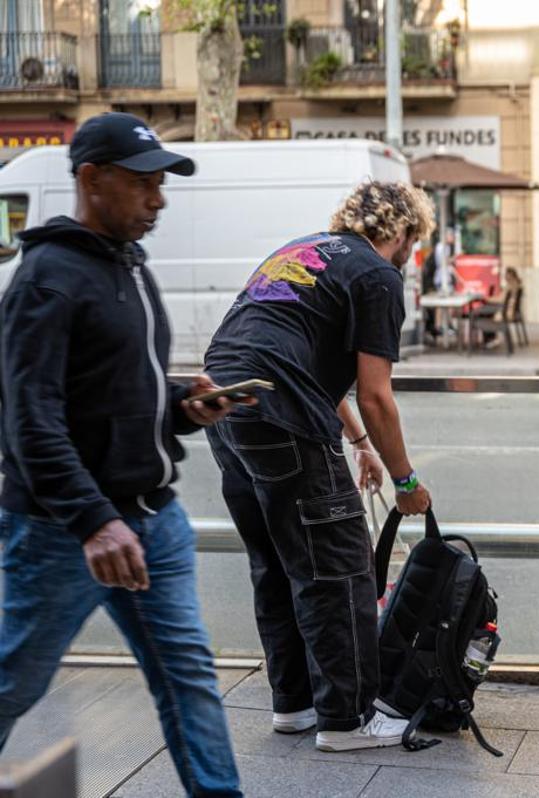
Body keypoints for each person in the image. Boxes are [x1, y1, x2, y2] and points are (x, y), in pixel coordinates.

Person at [0, 112, 242, 796]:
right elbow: (29, 420)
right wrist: (92, 521)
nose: (158, 199)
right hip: (63, 532)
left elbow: (111, 392)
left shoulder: (128, 265)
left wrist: (181, 407)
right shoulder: (46, 278)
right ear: (91, 179)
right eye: (144, 183)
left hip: (150, 522)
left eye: (161, 183)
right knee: (15, 678)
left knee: (188, 673)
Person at [203, 181, 435, 752]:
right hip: (284, 418)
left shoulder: (299, 252)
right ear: (401, 230)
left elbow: (296, 356)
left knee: (277, 562)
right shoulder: (378, 275)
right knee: (337, 567)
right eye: (414, 240)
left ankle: (295, 704)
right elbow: (377, 394)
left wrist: (360, 444)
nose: (412, 253)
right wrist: (407, 481)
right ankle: (348, 719)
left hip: (225, 406)